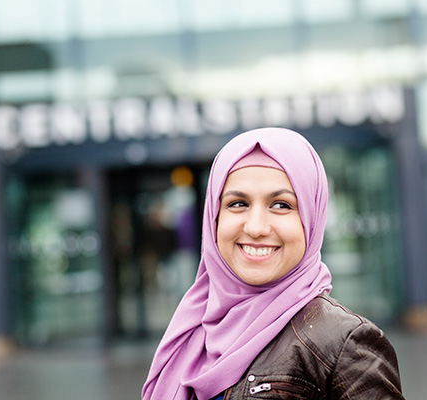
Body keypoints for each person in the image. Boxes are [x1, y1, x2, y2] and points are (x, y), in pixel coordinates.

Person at [142, 127, 404, 399]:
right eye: (238, 203)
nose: (256, 228)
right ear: (214, 218)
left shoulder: (343, 345)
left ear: (311, 219)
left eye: (281, 205)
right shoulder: (190, 329)